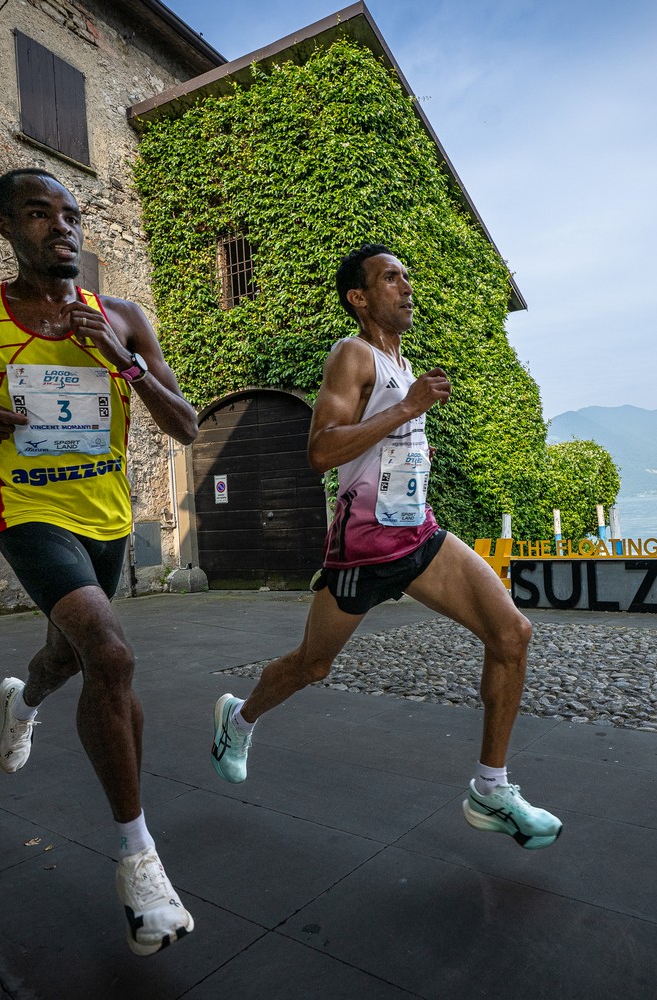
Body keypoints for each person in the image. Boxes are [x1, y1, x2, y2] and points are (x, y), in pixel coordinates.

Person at [0, 168, 201, 956]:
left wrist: (124, 362)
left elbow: (187, 425)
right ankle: (140, 864)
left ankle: (23, 701)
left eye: (70, 214)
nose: (61, 226)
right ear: (3, 226)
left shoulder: (122, 318)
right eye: (38, 213)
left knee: (67, 657)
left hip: (106, 516)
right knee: (110, 654)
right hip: (25, 508)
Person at [209, 244, 562, 850]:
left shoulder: (402, 364)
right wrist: (408, 408)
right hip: (363, 551)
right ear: (360, 297)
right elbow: (321, 451)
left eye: (407, 276)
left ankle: (490, 788)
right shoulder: (353, 355)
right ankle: (238, 720)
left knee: (512, 634)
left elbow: (387, 443)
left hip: (418, 535)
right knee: (312, 665)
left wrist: (411, 428)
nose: (406, 286)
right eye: (391, 278)